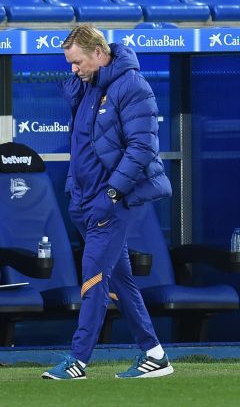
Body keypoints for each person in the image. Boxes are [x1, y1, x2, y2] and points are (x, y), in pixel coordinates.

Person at [42, 25, 174, 380]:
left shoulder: (133, 87)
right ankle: (155, 353)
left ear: (100, 54)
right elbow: (81, 144)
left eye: (77, 62)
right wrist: (74, 187)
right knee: (120, 282)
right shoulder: (87, 87)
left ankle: (78, 360)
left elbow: (142, 148)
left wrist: (112, 193)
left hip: (112, 201)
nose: (73, 70)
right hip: (84, 200)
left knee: (94, 278)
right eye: (69, 64)